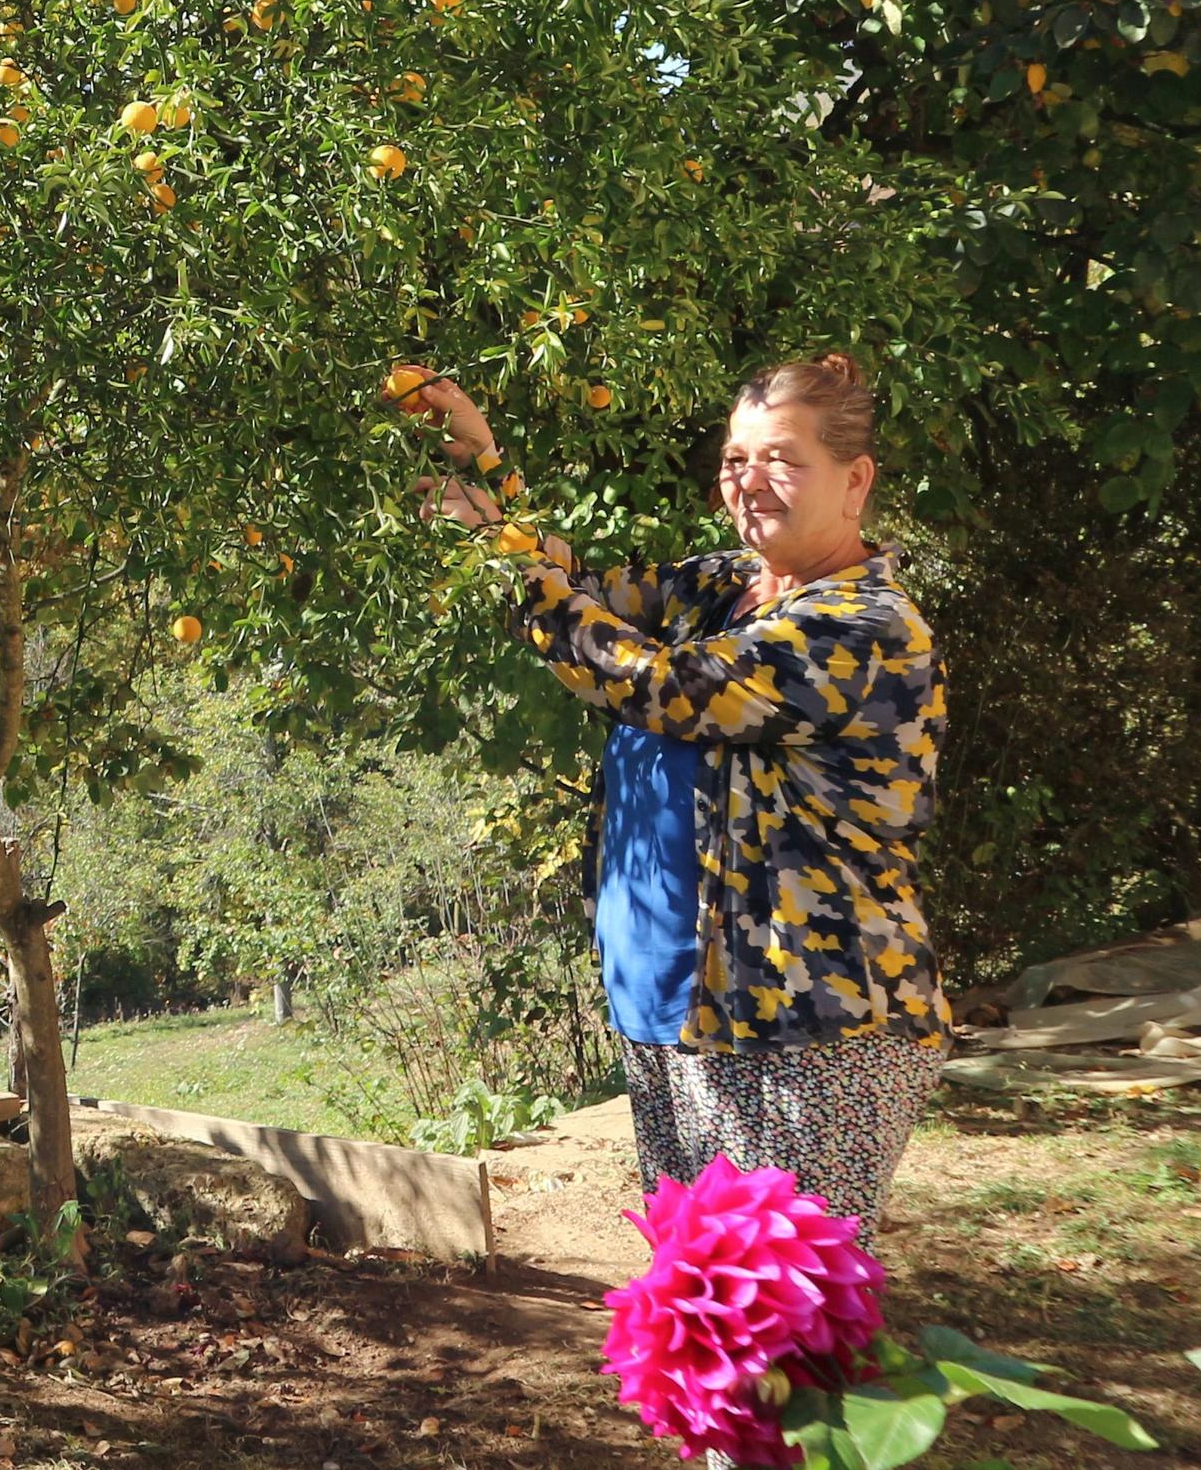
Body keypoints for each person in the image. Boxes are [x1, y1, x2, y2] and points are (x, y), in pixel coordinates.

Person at [400, 352, 947, 1237]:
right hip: (675, 1010)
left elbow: (657, 683)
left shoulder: (865, 627)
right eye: (737, 458)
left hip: (810, 1031)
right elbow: (574, 590)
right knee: (696, 1296)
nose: (750, 480)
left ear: (856, 481)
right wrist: (483, 466)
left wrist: (495, 549)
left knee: (784, 1331)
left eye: (781, 457)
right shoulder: (719, 588)